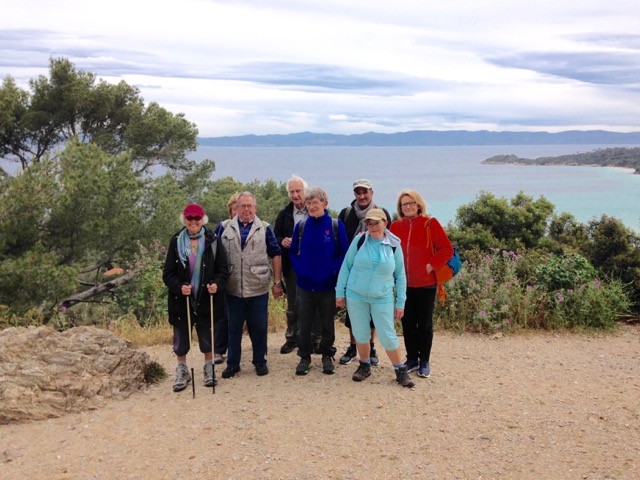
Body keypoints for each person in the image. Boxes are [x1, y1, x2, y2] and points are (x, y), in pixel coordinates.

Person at [335, 208, 413, 387]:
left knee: (387, 335)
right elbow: (346, 266)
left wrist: (400, 303)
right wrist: (340, 292)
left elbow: (400, 276)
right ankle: (364, 365)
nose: (373, 226)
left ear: (385, 223)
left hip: (382, 297)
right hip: (356, 296)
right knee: (361, 333)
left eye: (376, 223)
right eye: (369, 223)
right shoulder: (360, 240)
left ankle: (400, 370)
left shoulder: (394, 245)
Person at [163, 203, 229, 392]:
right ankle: (183, 370)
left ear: (203, 219)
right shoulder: (176, 241)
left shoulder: (213, 240)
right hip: (181, 299)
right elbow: (168, 274)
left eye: (196, 218)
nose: (193, 221)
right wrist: (178, 287)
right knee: (181, 337)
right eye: (189, 218)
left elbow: (223, 270)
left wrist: (216, 283)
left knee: (206, 334)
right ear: (184, 219)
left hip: (205, 296)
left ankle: (209, 368)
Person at [389, 189, 454, 378]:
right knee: (408, 323)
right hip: (404, 284)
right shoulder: (395, 226)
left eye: (411, 203)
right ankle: (411, 360)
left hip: (426, 283)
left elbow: (446, 249)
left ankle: (424, 361)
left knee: (424, 324)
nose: (408, 207)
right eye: (404, 204)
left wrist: (431, 265)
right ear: (400, 208)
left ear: (418, 205)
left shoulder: (429, 223)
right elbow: (387, 249)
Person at [219, 191, 283, 378]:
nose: (246, 209)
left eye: (250, 206)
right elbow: (213, 253)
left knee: (259, 328)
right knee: (233, 329)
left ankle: (260, 362)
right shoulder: (224, 228)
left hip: (258, 287)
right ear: (236, 208)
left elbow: (276, 254)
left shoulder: (264, 228)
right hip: (233, 288)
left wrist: (277, 282)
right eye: (243, 206)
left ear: (255, 208)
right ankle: (233, 364)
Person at [289, 187, 349, 375]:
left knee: (326, 323)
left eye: (315, 202)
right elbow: (293, 252)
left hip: (327, 285)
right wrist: (300, 269)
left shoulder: (335, 225)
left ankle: (327, 355)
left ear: (325, 203)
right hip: (305, 285)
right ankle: (304, 357)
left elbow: (344, 253)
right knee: (304, 324)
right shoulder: (301, 226)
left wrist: (332, 270)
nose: (311, 206)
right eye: (308, 203)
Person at [337, 179, 392, 367]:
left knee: (373, 313)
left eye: (364, 192)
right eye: (358, 193)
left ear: (371, 192)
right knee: (353, 313)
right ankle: (353, 347)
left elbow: (388, 241)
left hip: (375, 270)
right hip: (353, 269)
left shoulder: (382, 214)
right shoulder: (346, 214)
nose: (361, 196)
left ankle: (371, 346)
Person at [274, 175, 321, 354]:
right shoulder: (284, 214)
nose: (295, 195)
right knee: (293, 303)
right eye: (292, 192)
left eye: (298, 191)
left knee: (315, 302)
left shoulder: (315, 210)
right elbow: (275, 238)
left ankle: (315, 338)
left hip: (314, 264)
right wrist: (282, 241)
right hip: (292, 264)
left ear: (305, 192)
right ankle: (292, 337)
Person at [211, 192, 239, 364]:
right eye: (235, 208)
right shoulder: (222, 227)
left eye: (242, 207)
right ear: (230, 211)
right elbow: (213, 250)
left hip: (245, 279)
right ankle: (219, 350)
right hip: (223, 277)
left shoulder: (256, 226)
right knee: (223, 315)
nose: (239, 211)